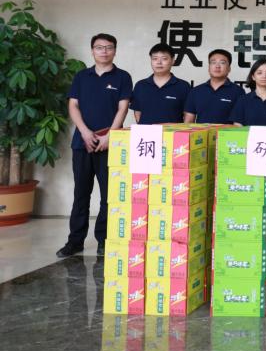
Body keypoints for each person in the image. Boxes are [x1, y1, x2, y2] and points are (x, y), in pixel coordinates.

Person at [58, 33, 133, 258]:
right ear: (92, 50)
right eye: (99, 47)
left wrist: (111, 135)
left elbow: (123, 108)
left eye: (108, 47)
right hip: (82, 144)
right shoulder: (81, 76)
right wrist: (84, 131)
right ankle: (75, 241)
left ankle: (104, 240)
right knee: (81, 194)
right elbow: (73, 106)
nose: (104, 51)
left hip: (111, 144)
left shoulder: (123, 77)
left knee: (109, 196)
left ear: (115, 51)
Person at [130, 42, 190, 124]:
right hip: (146, 131)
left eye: (164, 59)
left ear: (173, 61)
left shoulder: (183, 86)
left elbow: (188, 115)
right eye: (155, 59)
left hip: (173, 132)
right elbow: (138, 113)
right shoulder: (140, 85)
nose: (159, 62)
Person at [183, 49, 243, 124]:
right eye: (213, 62)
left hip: (227, 132)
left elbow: (239, 122)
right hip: (202, 132)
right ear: (209, 68)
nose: (217, 66)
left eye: (222, 63)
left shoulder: (238, 91)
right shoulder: (196, 91)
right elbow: (188, 121)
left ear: (229, 68)